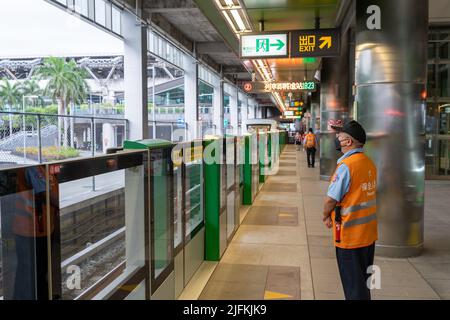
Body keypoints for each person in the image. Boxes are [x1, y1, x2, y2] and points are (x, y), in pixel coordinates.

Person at [322, 120, 377, 300]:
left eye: (339, 135)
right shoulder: (368, 163)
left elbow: (331, 199)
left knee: (353, 287)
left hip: (350, 237)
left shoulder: (346, 166)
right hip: (368, 236)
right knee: (364, 282)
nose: (336, 138)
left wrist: (325, 216)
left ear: (348, 142)